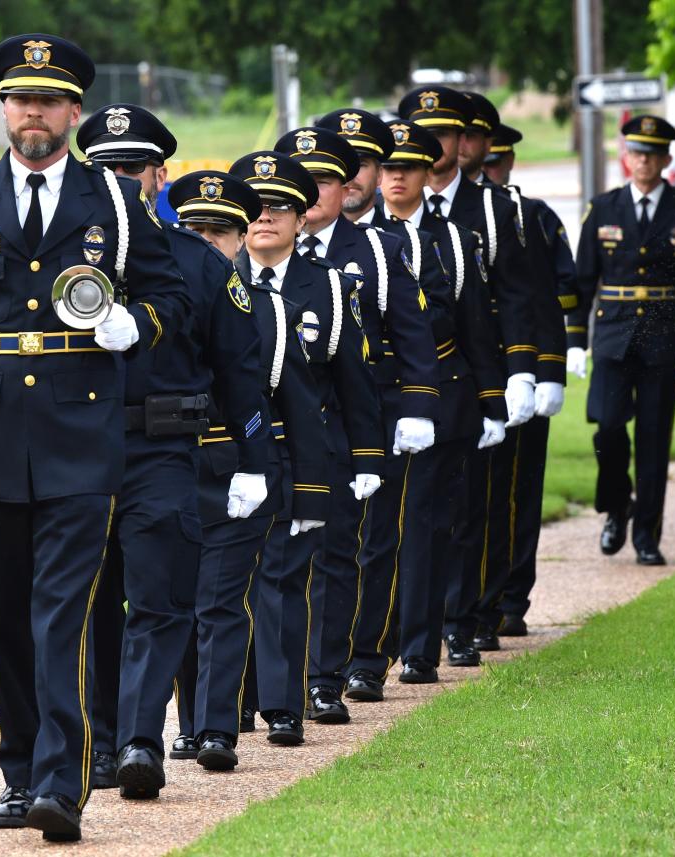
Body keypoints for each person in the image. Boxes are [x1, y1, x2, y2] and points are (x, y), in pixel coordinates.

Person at [0, 34, 189, 842]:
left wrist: (137, 321)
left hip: (80, 437)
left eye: (49, 100)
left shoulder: (117, 203)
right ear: (4, 109)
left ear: (74, 112)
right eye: (21, 99)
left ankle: (59, 782)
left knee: (61, 613)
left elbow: (170, 296)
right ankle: (20, 766)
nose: (33, 113)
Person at [74, 106, 272, 798]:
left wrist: (255, 460)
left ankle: (139, 741)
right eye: (109, 168)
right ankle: (97, 745)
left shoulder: (197, 262)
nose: (124, 179)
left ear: (162, 175)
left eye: (135, 167)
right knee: (92, 603)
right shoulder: (65, 261)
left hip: (162, 449)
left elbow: (240, 371)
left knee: (159, 599)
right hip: (80, 450)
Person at [167, 167, 332, 771]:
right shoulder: (156, 297)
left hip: (241, 470)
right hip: (170, 467)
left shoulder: (270, 310)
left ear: (240, 237)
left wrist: (309, 495)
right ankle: (185, 724)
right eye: (196, 230)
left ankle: (215, 727)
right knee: (172, 603)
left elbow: (297, 407)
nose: (209, 243)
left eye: (221, 232)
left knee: (219, 602)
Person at [278, 116, 441, 714]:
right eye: (305, 180)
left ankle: (350, 666)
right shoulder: (256, 245)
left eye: (326, 179)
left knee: (351, 548)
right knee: (274, 559)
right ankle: (268, 682)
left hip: (355, 419)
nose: (316, 192)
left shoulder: (376, 248)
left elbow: (412, 334)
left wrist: (417, 408)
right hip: (276, 426)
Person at [227, 149, 383, 745]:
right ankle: (231, 703)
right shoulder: (220, 281)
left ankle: (286, 702)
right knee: (227, 582)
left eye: (279, 209)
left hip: (302, 453)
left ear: (300, 219)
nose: (264, 218)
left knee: (288, 578)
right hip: (231, 453)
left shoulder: (331, 289)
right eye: (255, 209)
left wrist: (367, 458)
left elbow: (353, 381)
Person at [397, 84, 536, 667]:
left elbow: (509, 303)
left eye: (445, 136)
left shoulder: (488, 214)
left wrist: (516, 380)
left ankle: (460, 618)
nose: (433, 150)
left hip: (457, 383)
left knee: (459, 513)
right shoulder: (375, 228)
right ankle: (399, 635)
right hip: (393, 388)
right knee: (400, 525)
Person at [373, 118, 508, 681]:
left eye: (407, 168)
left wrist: (492, 400)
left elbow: (476, 324)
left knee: (429, 524)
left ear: (429, 173)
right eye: (388, 167)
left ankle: (423, 648)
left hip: (443, 394)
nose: (397, 177)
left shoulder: (453, 240)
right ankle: (367, 651)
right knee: (376, 530)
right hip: (376, 398)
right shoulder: (362, 237)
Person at [566, 115, 675, 566]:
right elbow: (583, 278)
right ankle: (616, 507)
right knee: (608, 428)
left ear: (666, 159)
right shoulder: (603, 208)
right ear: (625, 158)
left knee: (653, 438)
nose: (643, 161)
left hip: (664, 338)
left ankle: (647, 534)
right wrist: (575, 339)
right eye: (635, 152)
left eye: (651, 154)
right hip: (612, 336)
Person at [482, 122, 578, 636]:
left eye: (498, 163)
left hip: (521, 366)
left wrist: (549, 370)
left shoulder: (530, 218)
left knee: (517, 490)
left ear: (510, 163)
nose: (491, 171)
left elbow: (551, 297)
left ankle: (512, 597)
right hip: (472, 371)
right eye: (485, 162)